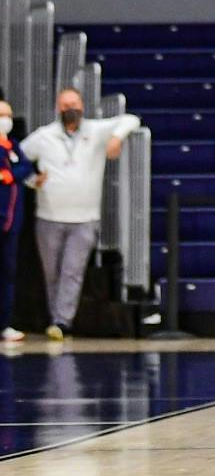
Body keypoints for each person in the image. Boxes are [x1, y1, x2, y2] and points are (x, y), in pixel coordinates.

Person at [20, 89, 141, 340]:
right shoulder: (44, 137)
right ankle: (56, 319)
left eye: (73, 104)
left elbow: (131, 119)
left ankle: (62, 321)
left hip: (84, 218)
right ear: (58, 108)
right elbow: (16, 158)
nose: (69, 109)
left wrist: (116, 138)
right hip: (49, 216)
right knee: (51, 273)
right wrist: (32, 180)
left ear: (82, 106)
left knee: (72, 271)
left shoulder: (95, 131)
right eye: (65, 105)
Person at [0, 97, 35, 343]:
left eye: (8, 115)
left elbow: (26, 168)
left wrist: (9, 175)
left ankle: (4, 323)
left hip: (11, 223)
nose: (6, 120)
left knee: (8, 273)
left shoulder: (13, 145)